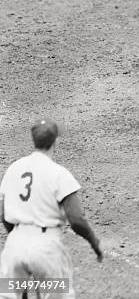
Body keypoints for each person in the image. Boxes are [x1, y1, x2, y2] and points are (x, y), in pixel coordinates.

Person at [0, 119, 103, 299]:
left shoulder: (13, 169)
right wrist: (94, 242)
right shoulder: (59, 173)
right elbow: (77, 219)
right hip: (46, 249)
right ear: (55, 142)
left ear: (33, 140)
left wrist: (20, 239)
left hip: (14, 247)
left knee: (9, 295)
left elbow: (4, 216)